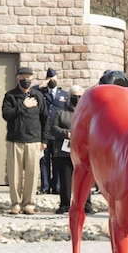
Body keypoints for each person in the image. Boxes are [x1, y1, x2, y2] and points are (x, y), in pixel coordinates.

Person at [2, 67, 49, 215]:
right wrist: (23, 106)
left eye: (29, 77)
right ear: (18, 78)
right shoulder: (10, 96)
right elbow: (6, 114)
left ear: (33, 79)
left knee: (32, 174)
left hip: (34, 140)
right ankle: (16, 203)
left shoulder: (38, 96)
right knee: (14, 173)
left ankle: (29, 203)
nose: (26, 79)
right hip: (15, 140)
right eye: (23, 77)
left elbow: (45, 118)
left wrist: (44, 139)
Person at [51, 85, 95, 215]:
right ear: (69, 97)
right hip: (65, 152)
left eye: (80, 96)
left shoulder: (88, 113)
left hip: (83, 152)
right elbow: (53, 128)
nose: (78, 98)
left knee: (85, 179)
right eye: (75, 96)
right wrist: (68, 133)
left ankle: (86, 204)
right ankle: (65, 204)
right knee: (65, 179)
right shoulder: (61, 112)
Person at [34, 68, 69, 195]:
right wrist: (41, 84)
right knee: (44, 160)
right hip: (43, 133)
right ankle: (45, 186)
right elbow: (30, 91)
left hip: (57, 134)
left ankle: (57, 187)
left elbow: (68, 113)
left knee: (57, 160)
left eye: (54, 79)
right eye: (50, 79)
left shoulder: (63, 95)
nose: (52, 81)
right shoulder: (40, 92)